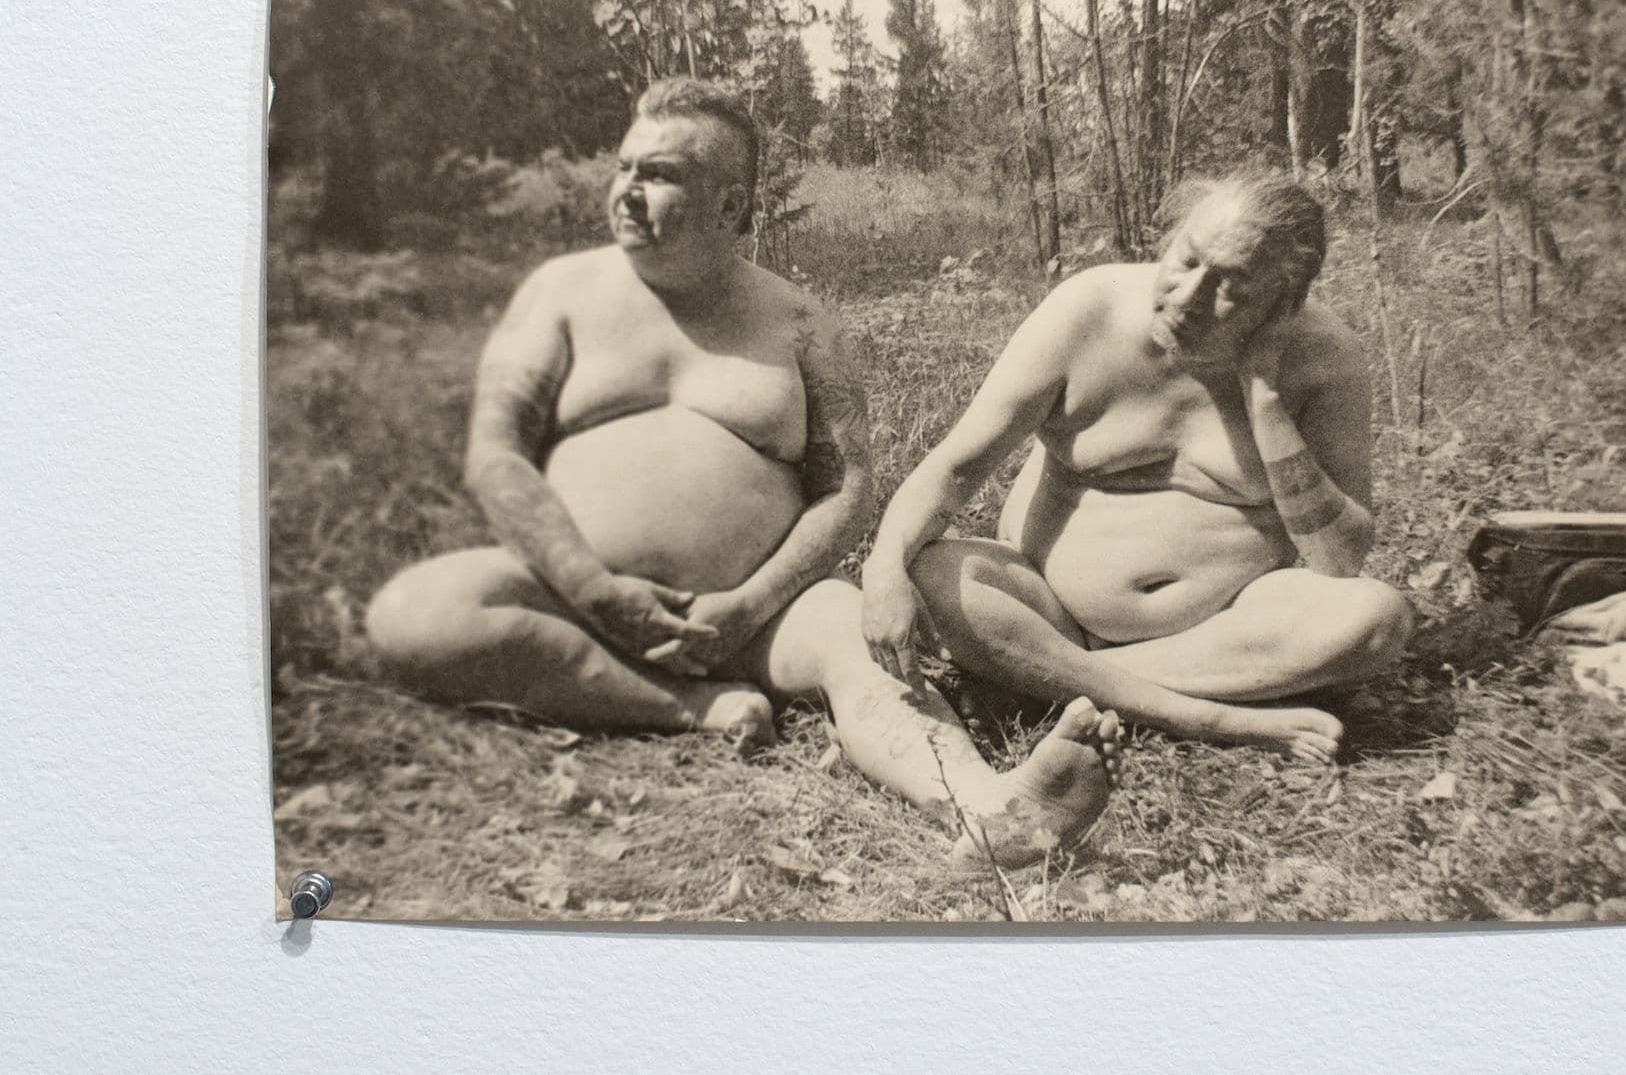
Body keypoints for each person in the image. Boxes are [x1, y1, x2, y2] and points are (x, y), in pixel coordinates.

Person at [365, 79, 1117, 868]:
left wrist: (748, 603)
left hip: (761, 620)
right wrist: (593, 589)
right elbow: (496, 454)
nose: (627, 191)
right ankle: (692, 708)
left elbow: (847, 487)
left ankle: (994, 810)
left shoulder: (800, 324)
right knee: (416, 612)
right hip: (574, 605)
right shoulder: (559, 296)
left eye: (659, 174)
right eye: (624, 168)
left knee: (853, 638)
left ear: (729, 207)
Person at [862, 170, 1412, 763]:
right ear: (1169, 238)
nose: (1189, 297)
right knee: (935, 572)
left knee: (1375, 619)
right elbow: (955, 468)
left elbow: (1340, 560)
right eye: (1187, 260)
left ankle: (1042, 681)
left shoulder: (1325, 360)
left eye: (1232, 286)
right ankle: (1209, 716)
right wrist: (883, 567)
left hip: (1219, 633)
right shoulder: (1087, 312)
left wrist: (1266, 398)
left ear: (1284, 303)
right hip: (1049, 608)